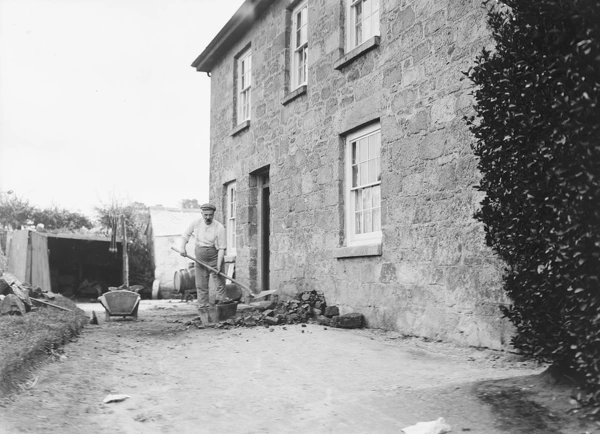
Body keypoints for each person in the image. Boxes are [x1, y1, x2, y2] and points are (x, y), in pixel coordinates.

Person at [178, 203, 228, 307]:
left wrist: (218, 264)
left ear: (213, 214)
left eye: (210, 215)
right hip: (200, 260)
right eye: (205, 215)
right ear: (202, 214)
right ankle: (203, 308)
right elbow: (185, 235)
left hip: (215, 258)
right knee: (201, 285)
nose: (208, 217)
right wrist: (182, 247)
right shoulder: (196, 223)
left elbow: (222, 248)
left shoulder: (219, 227)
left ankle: (221, 308)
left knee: (220, 285)